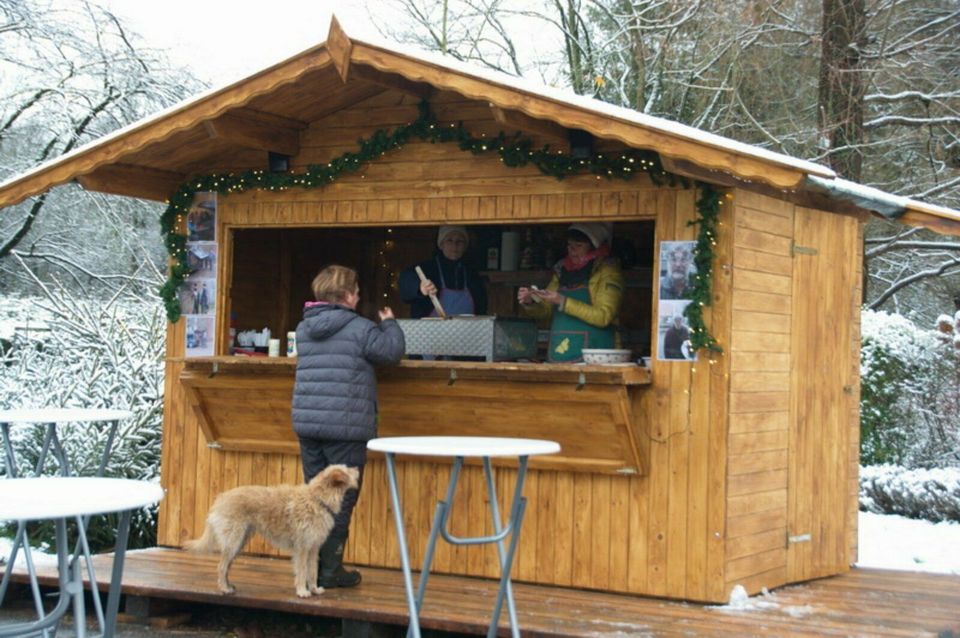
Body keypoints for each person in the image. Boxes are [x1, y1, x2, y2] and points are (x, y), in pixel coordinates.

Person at [291, 264, 406, 588]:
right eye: (356, 291)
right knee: (339, 501)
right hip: (345, 428)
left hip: (309, 425)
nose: (358, 297)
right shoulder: (360, 328)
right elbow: (392, 353)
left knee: (315, 499)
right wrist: (390, 324)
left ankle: (312, 571)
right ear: (346, 295)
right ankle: (330, 570)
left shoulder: (304, 328)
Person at [517, 222, 624, 362]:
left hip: (597, 357)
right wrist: (531, 302)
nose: (572, 250)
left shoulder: (608, 271)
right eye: (569, 245)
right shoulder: (562, 270)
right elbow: (545, 312)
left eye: (578, 246)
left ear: (593, 247)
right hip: (560, 353)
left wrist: (563, 301)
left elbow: (604, 316)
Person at [399, 225, 488, 318]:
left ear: (465, 246)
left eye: (460, 241)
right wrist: (419, 288)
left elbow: (481, 309)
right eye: (450, 240)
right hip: (430, 331)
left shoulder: (472, 274)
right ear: (441, 244)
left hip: (465, 331)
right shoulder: (427, 269)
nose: (455, 245)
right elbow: (405, 280)